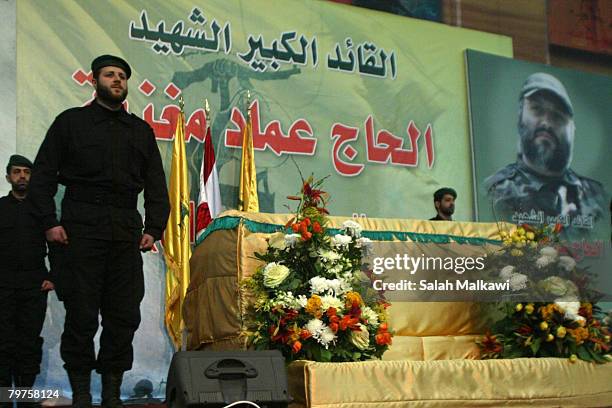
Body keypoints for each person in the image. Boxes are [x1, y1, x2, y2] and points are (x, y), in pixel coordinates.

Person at [29, 55, 170, 408]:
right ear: (95, 81)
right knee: (81, 314)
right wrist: (50, 222)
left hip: (124, 232)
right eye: (110, 75)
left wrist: (153, 228)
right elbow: (43, 176)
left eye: (122, 75)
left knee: (124, 316)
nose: (117, 80)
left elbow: (156, 186)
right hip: (80, 230)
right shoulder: (71, 123)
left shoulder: (140, 131)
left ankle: (110, 396)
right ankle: (80, 395)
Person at [484, 73, 608, 236]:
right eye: (537, 109)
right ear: (520, 116)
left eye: (557, 116)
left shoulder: (599, 197)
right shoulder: (494, 192)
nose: (546, 122)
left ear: (572, 130)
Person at [0, 155, 54, 406]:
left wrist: (54, 277)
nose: (22, 176)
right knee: (3, 342)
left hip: (34, 286)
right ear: (8, 177)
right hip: (3, 287)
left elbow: (59, 246)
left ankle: (24, 399)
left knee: (29, 344)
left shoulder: (44, 211)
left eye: (27, 172)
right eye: (17, 172)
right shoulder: (0, 208)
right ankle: (3, 397)